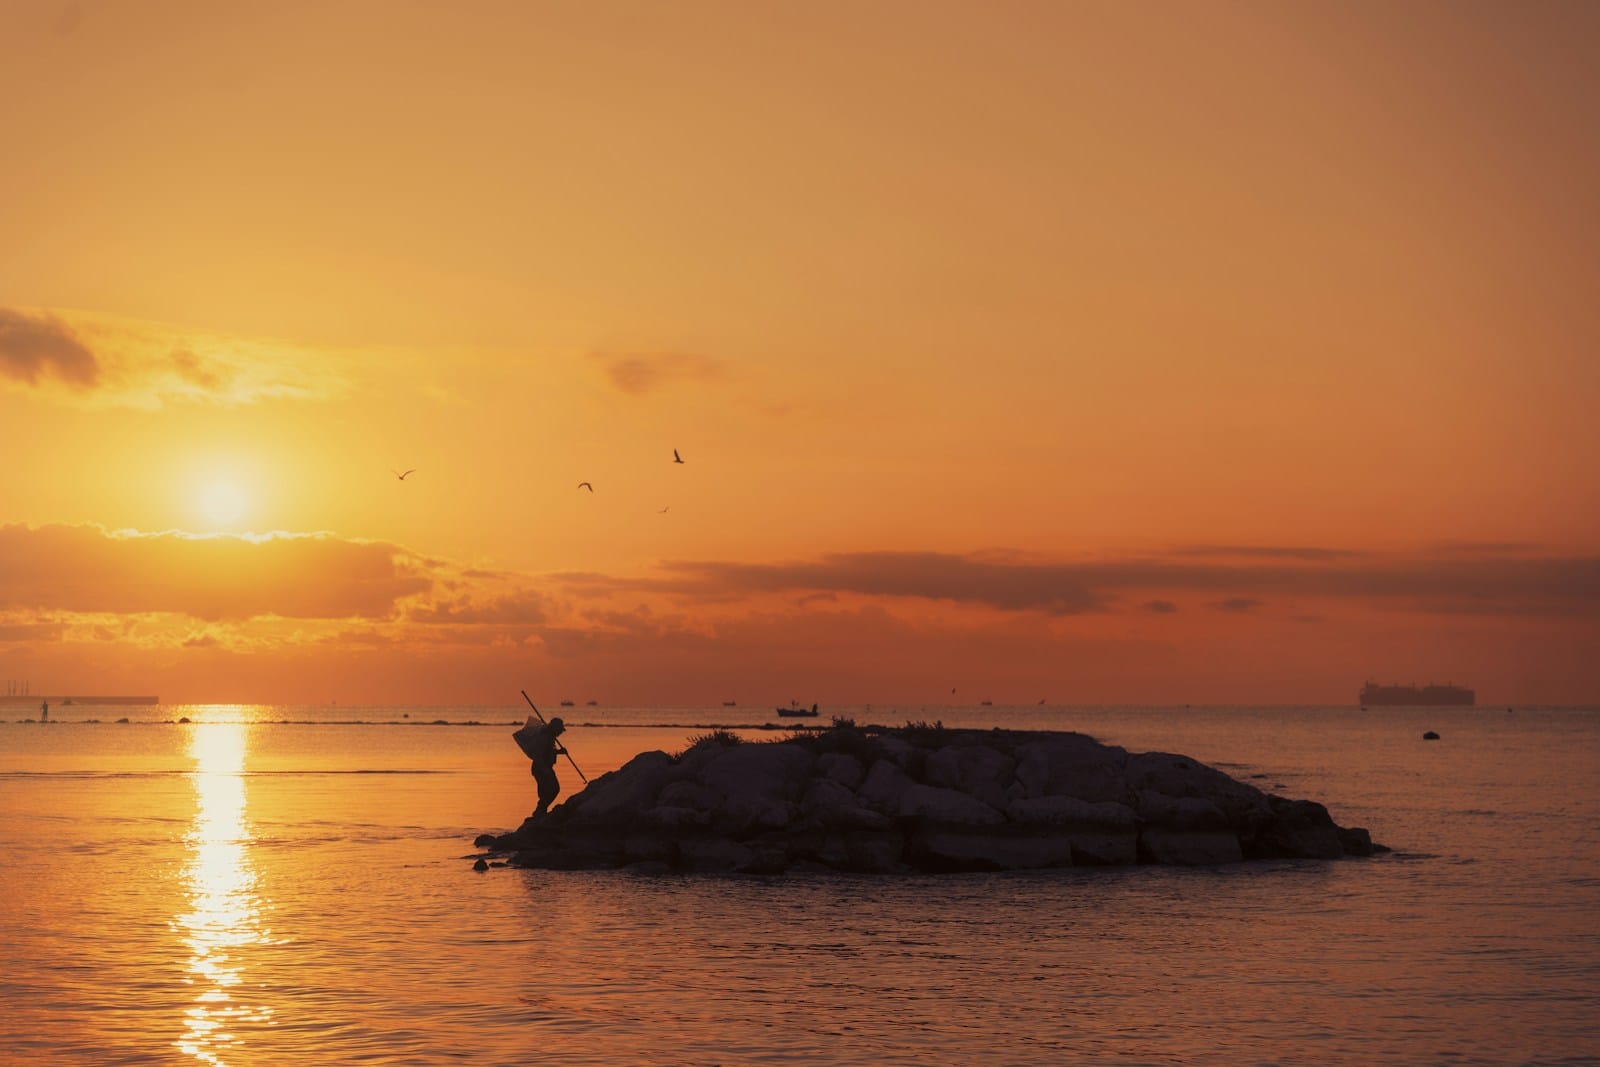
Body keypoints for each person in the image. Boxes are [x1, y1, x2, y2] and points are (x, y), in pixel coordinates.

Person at [521, 716, 568, 817]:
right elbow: (538, 755)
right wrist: (545, 770)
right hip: (541, 768)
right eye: (559, 730)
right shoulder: (544, 738)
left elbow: (547, 752)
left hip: (545, 768)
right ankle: (540, 811)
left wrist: (559, 752)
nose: (560, 733)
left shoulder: (549, 737)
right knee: (552, 789)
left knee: (550, 790)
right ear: (554, 729)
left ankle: (541, 811)